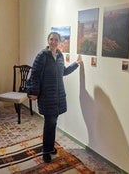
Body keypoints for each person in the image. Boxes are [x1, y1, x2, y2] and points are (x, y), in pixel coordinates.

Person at [28, 32, 83, 163]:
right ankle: (46, 151)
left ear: (59, 42)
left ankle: (50, 147)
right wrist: (34, 92)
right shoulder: (42, 56)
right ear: (48, 40)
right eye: (51, 39)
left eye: (56, 40)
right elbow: (34, 74)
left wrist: (76, 63)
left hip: (58, 96)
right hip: (47, 96)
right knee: (50, 123)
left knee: (53, 123)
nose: (53, 42)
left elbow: (63, 71)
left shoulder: (60, 56)